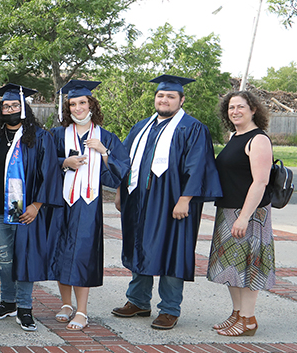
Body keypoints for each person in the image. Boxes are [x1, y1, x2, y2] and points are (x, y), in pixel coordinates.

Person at [112, 74, 222, 330]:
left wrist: (185, 200)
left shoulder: (193, 128)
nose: (164, 100)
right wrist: (120, 191)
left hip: (173, 202)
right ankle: (138, 301)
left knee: (172, 250)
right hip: (138, 200)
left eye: (171, 96)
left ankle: (170, 309)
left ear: (181, 100)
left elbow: (198, 167)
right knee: (139, 245)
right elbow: (126, 162)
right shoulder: (141, 127)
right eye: (161, 95)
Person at [48, 80, 129, 331]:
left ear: (91, 105)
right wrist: (64, 162)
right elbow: (42, 164)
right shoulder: (57, 134)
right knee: (60, 252)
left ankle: (81, 310)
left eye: (82, 102)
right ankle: (65, 304)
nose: (78, 108)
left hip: (88, 204)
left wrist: (104, 152)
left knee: (82, 254)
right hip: (60, 202)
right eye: (73, 104)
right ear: (67, 108)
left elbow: (119, 173)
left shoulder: (105, 137)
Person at [0, 84, 62, 332]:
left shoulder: (39, 137)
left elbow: (49, 173)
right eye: (6, 106)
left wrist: (36, 205)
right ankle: (7, 302)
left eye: (15, 106)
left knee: (25, 259)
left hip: (24, 210)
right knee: (5, 260)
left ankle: (25, 307)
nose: (10, 109)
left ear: (24, 108)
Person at [207, 90, 274, 337]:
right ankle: (237, 314)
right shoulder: (235, 136)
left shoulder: (258, 140)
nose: (235, 111)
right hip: (229, 210)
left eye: (240, 107)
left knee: (248, 267)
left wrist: (244, 216)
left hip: (250, 213)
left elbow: (260, 182)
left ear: (253, 109)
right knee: (231, 267)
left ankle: (248, 319)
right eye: (231, 108)